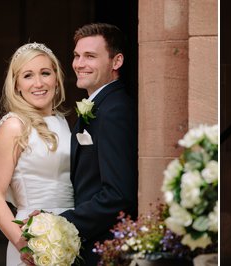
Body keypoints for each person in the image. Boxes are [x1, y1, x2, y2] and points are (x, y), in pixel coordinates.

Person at [0, 42, 73, 265]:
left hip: (71, 235)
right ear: (16, 85)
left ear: (56, 78)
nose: (39, 83)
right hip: (34, 237)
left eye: (45, 73)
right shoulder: (14, 126)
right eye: (28, 75)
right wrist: (24, 243)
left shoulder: (62, 123)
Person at [59, 22, 139, 265]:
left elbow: (118, 194)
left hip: (103, 249)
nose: (79, 64)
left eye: (90, 56)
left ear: (116, 62)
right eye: (77, 56)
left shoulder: (114, 110)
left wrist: (60, 224)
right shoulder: (100, 105)